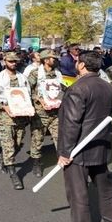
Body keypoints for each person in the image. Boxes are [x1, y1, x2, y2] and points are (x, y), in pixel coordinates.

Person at [57, 51, 112, 222]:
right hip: (100, 145)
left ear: (81, 65)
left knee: (78, 196)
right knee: (105, 188)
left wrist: (65, 152)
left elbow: (72, 123)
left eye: (77, 62)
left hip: (78, 151)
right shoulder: (108, 86)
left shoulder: (78, 88)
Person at [0, 52, 32, 190]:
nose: (14, 63)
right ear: (5, 61)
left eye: (15, 61)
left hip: (21, 117)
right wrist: (3, 106)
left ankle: (1, 159)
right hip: (5, 118)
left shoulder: (23, 78)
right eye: (11, 61)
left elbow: (28, 95)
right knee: (8, 146)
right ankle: (13, 173)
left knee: (17, 144)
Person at [28, 49, 63, 178]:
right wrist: (39, 100)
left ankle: (62, 160)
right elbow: (27, 91)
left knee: (59, 137)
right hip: (40, 112)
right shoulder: (35, 74)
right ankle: (36, 163)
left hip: (56, 112)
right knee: (38, 138)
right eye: (53, 58)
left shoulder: (58, 73)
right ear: (46, 60)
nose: (55, 60)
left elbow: (62, 88)